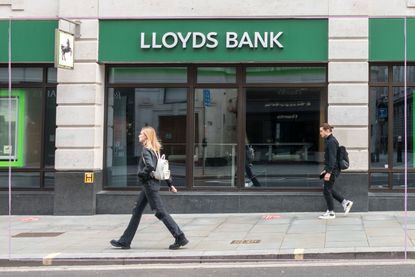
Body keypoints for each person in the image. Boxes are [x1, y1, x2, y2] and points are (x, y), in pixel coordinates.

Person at [110, 126, 189, 250]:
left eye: (141, 134)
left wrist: (141, 175)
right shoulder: (156, 151)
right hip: (150, 186)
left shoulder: (147, 150)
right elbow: (162, 169)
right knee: (137, 211)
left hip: (149, 185)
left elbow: (151, 166)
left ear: (146, 136)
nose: (138, 136)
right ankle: (125, 241)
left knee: (161, 212)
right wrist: (170, 184)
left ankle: (180, 237)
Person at [318, 123, 353, 219]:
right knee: (327, 189)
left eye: (321, 131)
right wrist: (325, 171)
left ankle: (331, 212)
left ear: (327, 130)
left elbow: (333, 159)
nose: (320, 133)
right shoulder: (329, 141)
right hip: (331, 169)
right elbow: (329, 159)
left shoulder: (331, 142)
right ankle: (345, 202)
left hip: (333, 170)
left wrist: (328, 172)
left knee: (326, 190)